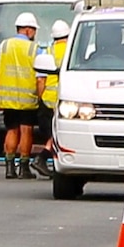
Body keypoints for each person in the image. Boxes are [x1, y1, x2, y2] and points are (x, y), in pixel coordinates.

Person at [0, 11, 43, 180]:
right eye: (34, 30)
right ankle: (24, 168)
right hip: (27, 98)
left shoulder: (3, 46)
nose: (34, 34)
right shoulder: (35, 49)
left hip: (8, 98)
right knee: (26, 131)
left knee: (11, 130)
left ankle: (9, 168)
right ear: (28, 30)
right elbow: (41, 73)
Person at [33, 19, 69, 178]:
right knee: (60, 134)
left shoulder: (47, 51)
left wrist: (40, 98)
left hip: (48, 100)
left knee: (54, 133)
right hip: (66, 100)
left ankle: (46, 160)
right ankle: (43, 158)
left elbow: (40, 79)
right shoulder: (73, 49)